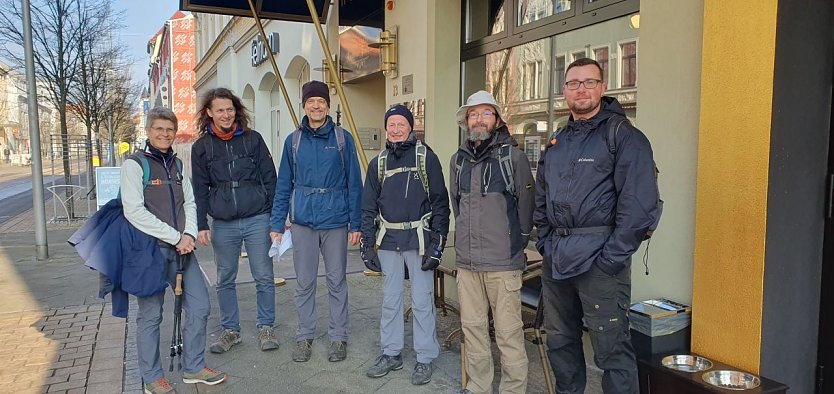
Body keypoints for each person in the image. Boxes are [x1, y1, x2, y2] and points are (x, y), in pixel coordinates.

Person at [534, 58, 660, 394]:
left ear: (602, 88)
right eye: (574, 83)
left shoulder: (624, 136)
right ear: (564, 91)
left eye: (589, 82)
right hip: (557, 259)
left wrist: (611, 259)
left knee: (611, 350)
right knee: (561, 342)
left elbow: (640, 206)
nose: (581, 89)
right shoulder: (558, 141)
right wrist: (545, 243)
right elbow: (542, 197)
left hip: (600, 262)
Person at [120, 107, 226, 394]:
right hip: (150, 253)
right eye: (159, 128)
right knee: (151, 315)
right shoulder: (134, 165)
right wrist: (176, 237)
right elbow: (134, 211)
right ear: (148, 131)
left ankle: (193, 367)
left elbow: (189, 202)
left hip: (182, 250)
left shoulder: (178, 165)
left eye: (169, 129)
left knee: (200, 306)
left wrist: (188, 235)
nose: (165, 134)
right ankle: (153, 378)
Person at [269, 80, 363, 363]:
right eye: (311, 101)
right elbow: (283, 185)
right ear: (304, 105)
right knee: (304, 282)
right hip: (303, 222)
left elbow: (354, 184)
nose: (316, 106)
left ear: (328, 105)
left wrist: (356, 223)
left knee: (337, 281)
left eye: (321, 101)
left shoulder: (343, 139)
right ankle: (304, 336)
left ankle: (338, 337)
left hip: (335, 221)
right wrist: (277, 224)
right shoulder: (293, 141)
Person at [450, 90, 535, 394]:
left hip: (503, 263)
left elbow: (527, 208)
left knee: (508, 333)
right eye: (473, 114)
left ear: (497, 119)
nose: (479, 119)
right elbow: (457, 206)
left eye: (486, 113)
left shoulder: (514, 157)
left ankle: (513, 390)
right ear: (466, 121)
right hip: (468, 263)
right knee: (473, 330)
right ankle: (479, 386)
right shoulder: (458, 161)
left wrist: (516, 246)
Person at [360, 105, 450, 385]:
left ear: (411, 127)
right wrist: (367, 244)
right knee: (391, 300)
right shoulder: (378, 163)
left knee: (422, 301)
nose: (396, 129)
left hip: (419, 240)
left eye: (401, 124)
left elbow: (440, 203)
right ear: (386, 128)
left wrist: (438, 244)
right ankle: (391, 353)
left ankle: (425, 357)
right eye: (392, 124)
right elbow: (367, 207)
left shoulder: (426, 157)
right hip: (388, 240)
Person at [190, 88, 279, 354]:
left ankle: (266, 326)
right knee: (225, 278)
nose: (226, 115)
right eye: (220, 110)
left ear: (236, 110)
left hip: (257, 218)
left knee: (263, 275)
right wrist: (201, 224)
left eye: (229, 109)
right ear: (209, 113)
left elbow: (271, 179)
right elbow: (199, 189)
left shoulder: (253, 139)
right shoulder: (201, 147)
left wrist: (275, 218)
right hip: (223, 223)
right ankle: (231, 330)